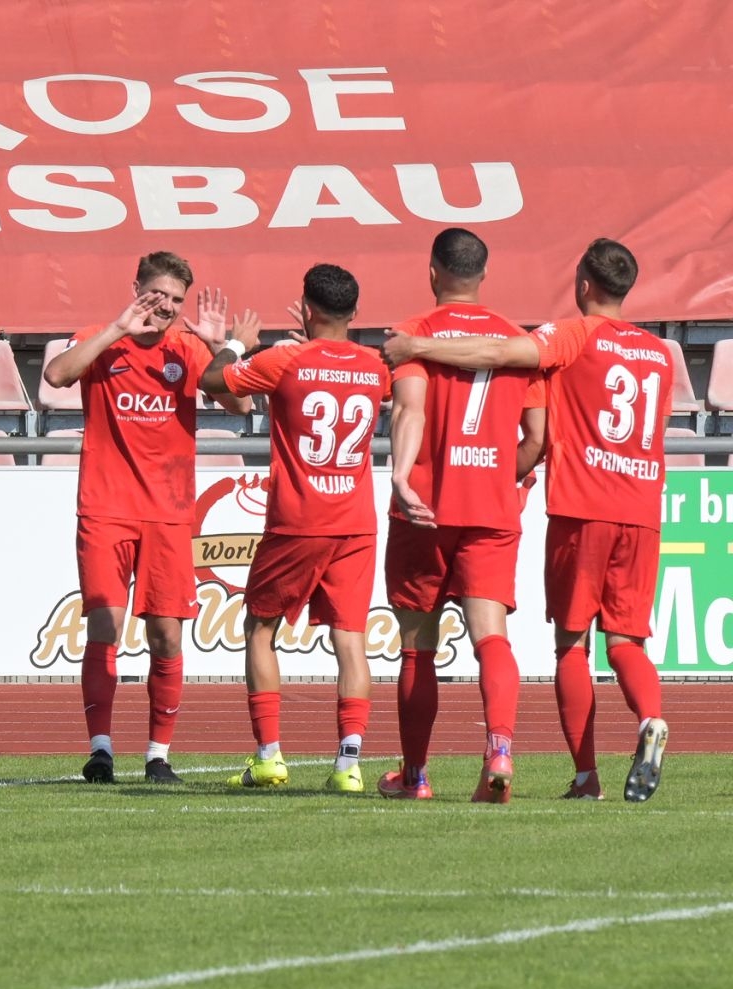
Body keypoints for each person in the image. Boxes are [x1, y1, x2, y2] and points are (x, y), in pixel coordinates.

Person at [386, 238, 674, 802]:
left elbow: (491, 361)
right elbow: (544, 436)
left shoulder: (565, 335)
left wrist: (417, 346)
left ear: (583, 285)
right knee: (622, 642)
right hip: (639, 509)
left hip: (577, 507)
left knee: (566, 646)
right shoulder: (661, 354)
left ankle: (581, 778)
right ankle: (647, 717)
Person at [41, 251, 250, 784]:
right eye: (159, 296)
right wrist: (117, 329)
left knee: (166, 637)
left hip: (169, 514)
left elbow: (241, 407)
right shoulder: (100, 338)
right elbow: (57, 375)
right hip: (106, 508)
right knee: (104, 627)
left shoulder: (188, 348)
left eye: (177, 300)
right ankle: (101, 751)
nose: (168, 308)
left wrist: (217, 345)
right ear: (136, 288)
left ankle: (158, 755)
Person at [200, 264, 387, 792]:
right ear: (355, 311)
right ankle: (349, 766)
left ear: (306, 308)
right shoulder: (375, 367)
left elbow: (212, 381)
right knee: (350, 640)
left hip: (299, 519)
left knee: (260, 629)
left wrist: (234, 345)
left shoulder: (283, 359)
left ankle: (269, 757)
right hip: (355, 522)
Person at [377, 229, 548, 802]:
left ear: (432, 272)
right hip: (490, 510)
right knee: (491, 637)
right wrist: (499, 476)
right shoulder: (517, 341)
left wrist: (402, 475)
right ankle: (499, 749)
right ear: (484, 274)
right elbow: (537, 438)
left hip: (424, 507)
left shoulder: (413, 334)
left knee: (417, 646)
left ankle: (415, 777)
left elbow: (411, 410)